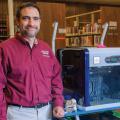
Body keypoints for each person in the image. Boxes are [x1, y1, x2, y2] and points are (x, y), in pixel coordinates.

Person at [0, 2, 64, 120]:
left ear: (39, 22)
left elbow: (56, 80)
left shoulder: (46, 49)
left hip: (47, 112)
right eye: (26, 18)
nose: (31, 23)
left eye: (35, 19)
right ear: (17, 21)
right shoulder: (5, 49)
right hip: (18, 114)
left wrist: (58, 103)